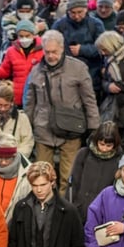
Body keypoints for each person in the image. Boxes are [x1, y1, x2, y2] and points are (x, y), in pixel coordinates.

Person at [24, 30, 100, 194]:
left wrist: (94, 127)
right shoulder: (36, 71)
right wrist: (26, 127)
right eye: (47, 52)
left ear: (62, 49)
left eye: (54, 52)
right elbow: (29, 102)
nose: (51, 56)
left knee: (68, 177)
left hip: (71, 130)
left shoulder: (78, 68)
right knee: (41, 177)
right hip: (43, 129)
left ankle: (64, 213)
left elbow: (89, 100)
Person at [66, 122, 121, 247]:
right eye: (102, 143)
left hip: (103, 223)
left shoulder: (119, 160)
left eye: (109, 145)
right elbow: (73, 185)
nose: (105, 148)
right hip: (81, 217)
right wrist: (76, 210)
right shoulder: (83, 154)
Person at [52, 0, 105, 97]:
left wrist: (82, 50)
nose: (76, 16)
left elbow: (103, 49)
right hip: (66, 78)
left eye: (80, 12)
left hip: (91, 78)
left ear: (86, 9)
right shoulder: (59, 26)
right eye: (73, 13)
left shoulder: (96, 25)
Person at [0, 19, 44, 106]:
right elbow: (5, 70)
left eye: (27, 36)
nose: (24, 39)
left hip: (37, 99)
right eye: (21, 36)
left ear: (33, 35)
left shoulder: (43, 50)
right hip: (17, 99)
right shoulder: (11, 51)